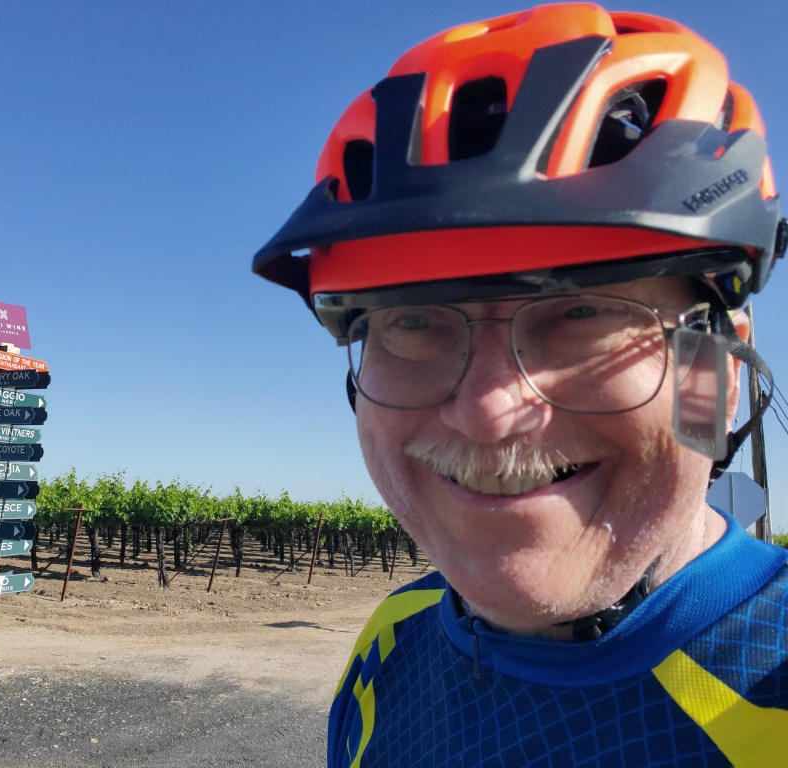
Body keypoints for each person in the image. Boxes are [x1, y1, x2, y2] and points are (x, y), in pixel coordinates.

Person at [252, 3, 788, 765]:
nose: (486, 413)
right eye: (411, 321)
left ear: (721, 369)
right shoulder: (389, 645)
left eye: (583, 311)